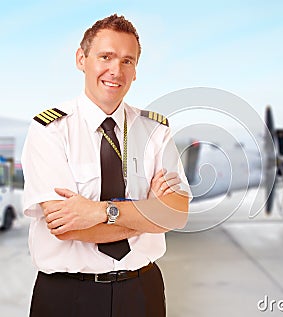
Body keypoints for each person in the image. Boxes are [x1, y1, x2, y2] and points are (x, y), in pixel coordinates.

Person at [21, 14, 190, 317]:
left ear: (136, 70)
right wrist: (149, 211)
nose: (116, 71)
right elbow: (65, 226)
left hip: (143, 292)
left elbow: (177, 213)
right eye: (106, 57)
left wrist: (99, 212)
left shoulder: (155, 131)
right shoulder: (50, 130)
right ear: (81, 59)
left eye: (128, 61)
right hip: (67, 296)